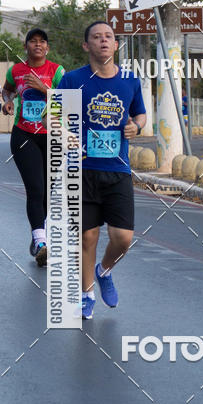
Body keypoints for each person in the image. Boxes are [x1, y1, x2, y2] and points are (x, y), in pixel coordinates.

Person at [58, 21, 146, 320]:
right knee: (87, 237)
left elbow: (140, 114)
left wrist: (137, 127)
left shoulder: (130, 81)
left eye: (108, 36)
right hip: (81, 169)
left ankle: (104, 270)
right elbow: (52, 115)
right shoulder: (72, 80)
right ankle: (86, 295)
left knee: (123, 238)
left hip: (118, 169)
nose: (103, 41)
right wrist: (65, 134)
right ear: (87, 45)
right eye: (96, 37)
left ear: (116, 45)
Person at [2, 29, 65, 266]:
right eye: (33, 41)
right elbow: (7, 90)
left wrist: (42, 88)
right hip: (24, 134)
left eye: (42, 42)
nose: (38, 45)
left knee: (47, 190)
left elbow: (68, 101)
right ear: (25, 46)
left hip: (52, 135)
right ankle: (40, 241)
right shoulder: (16, 71)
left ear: (47, 48)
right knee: (35, 188)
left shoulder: (57, 71)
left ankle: (40, 234)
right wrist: (8, 101)